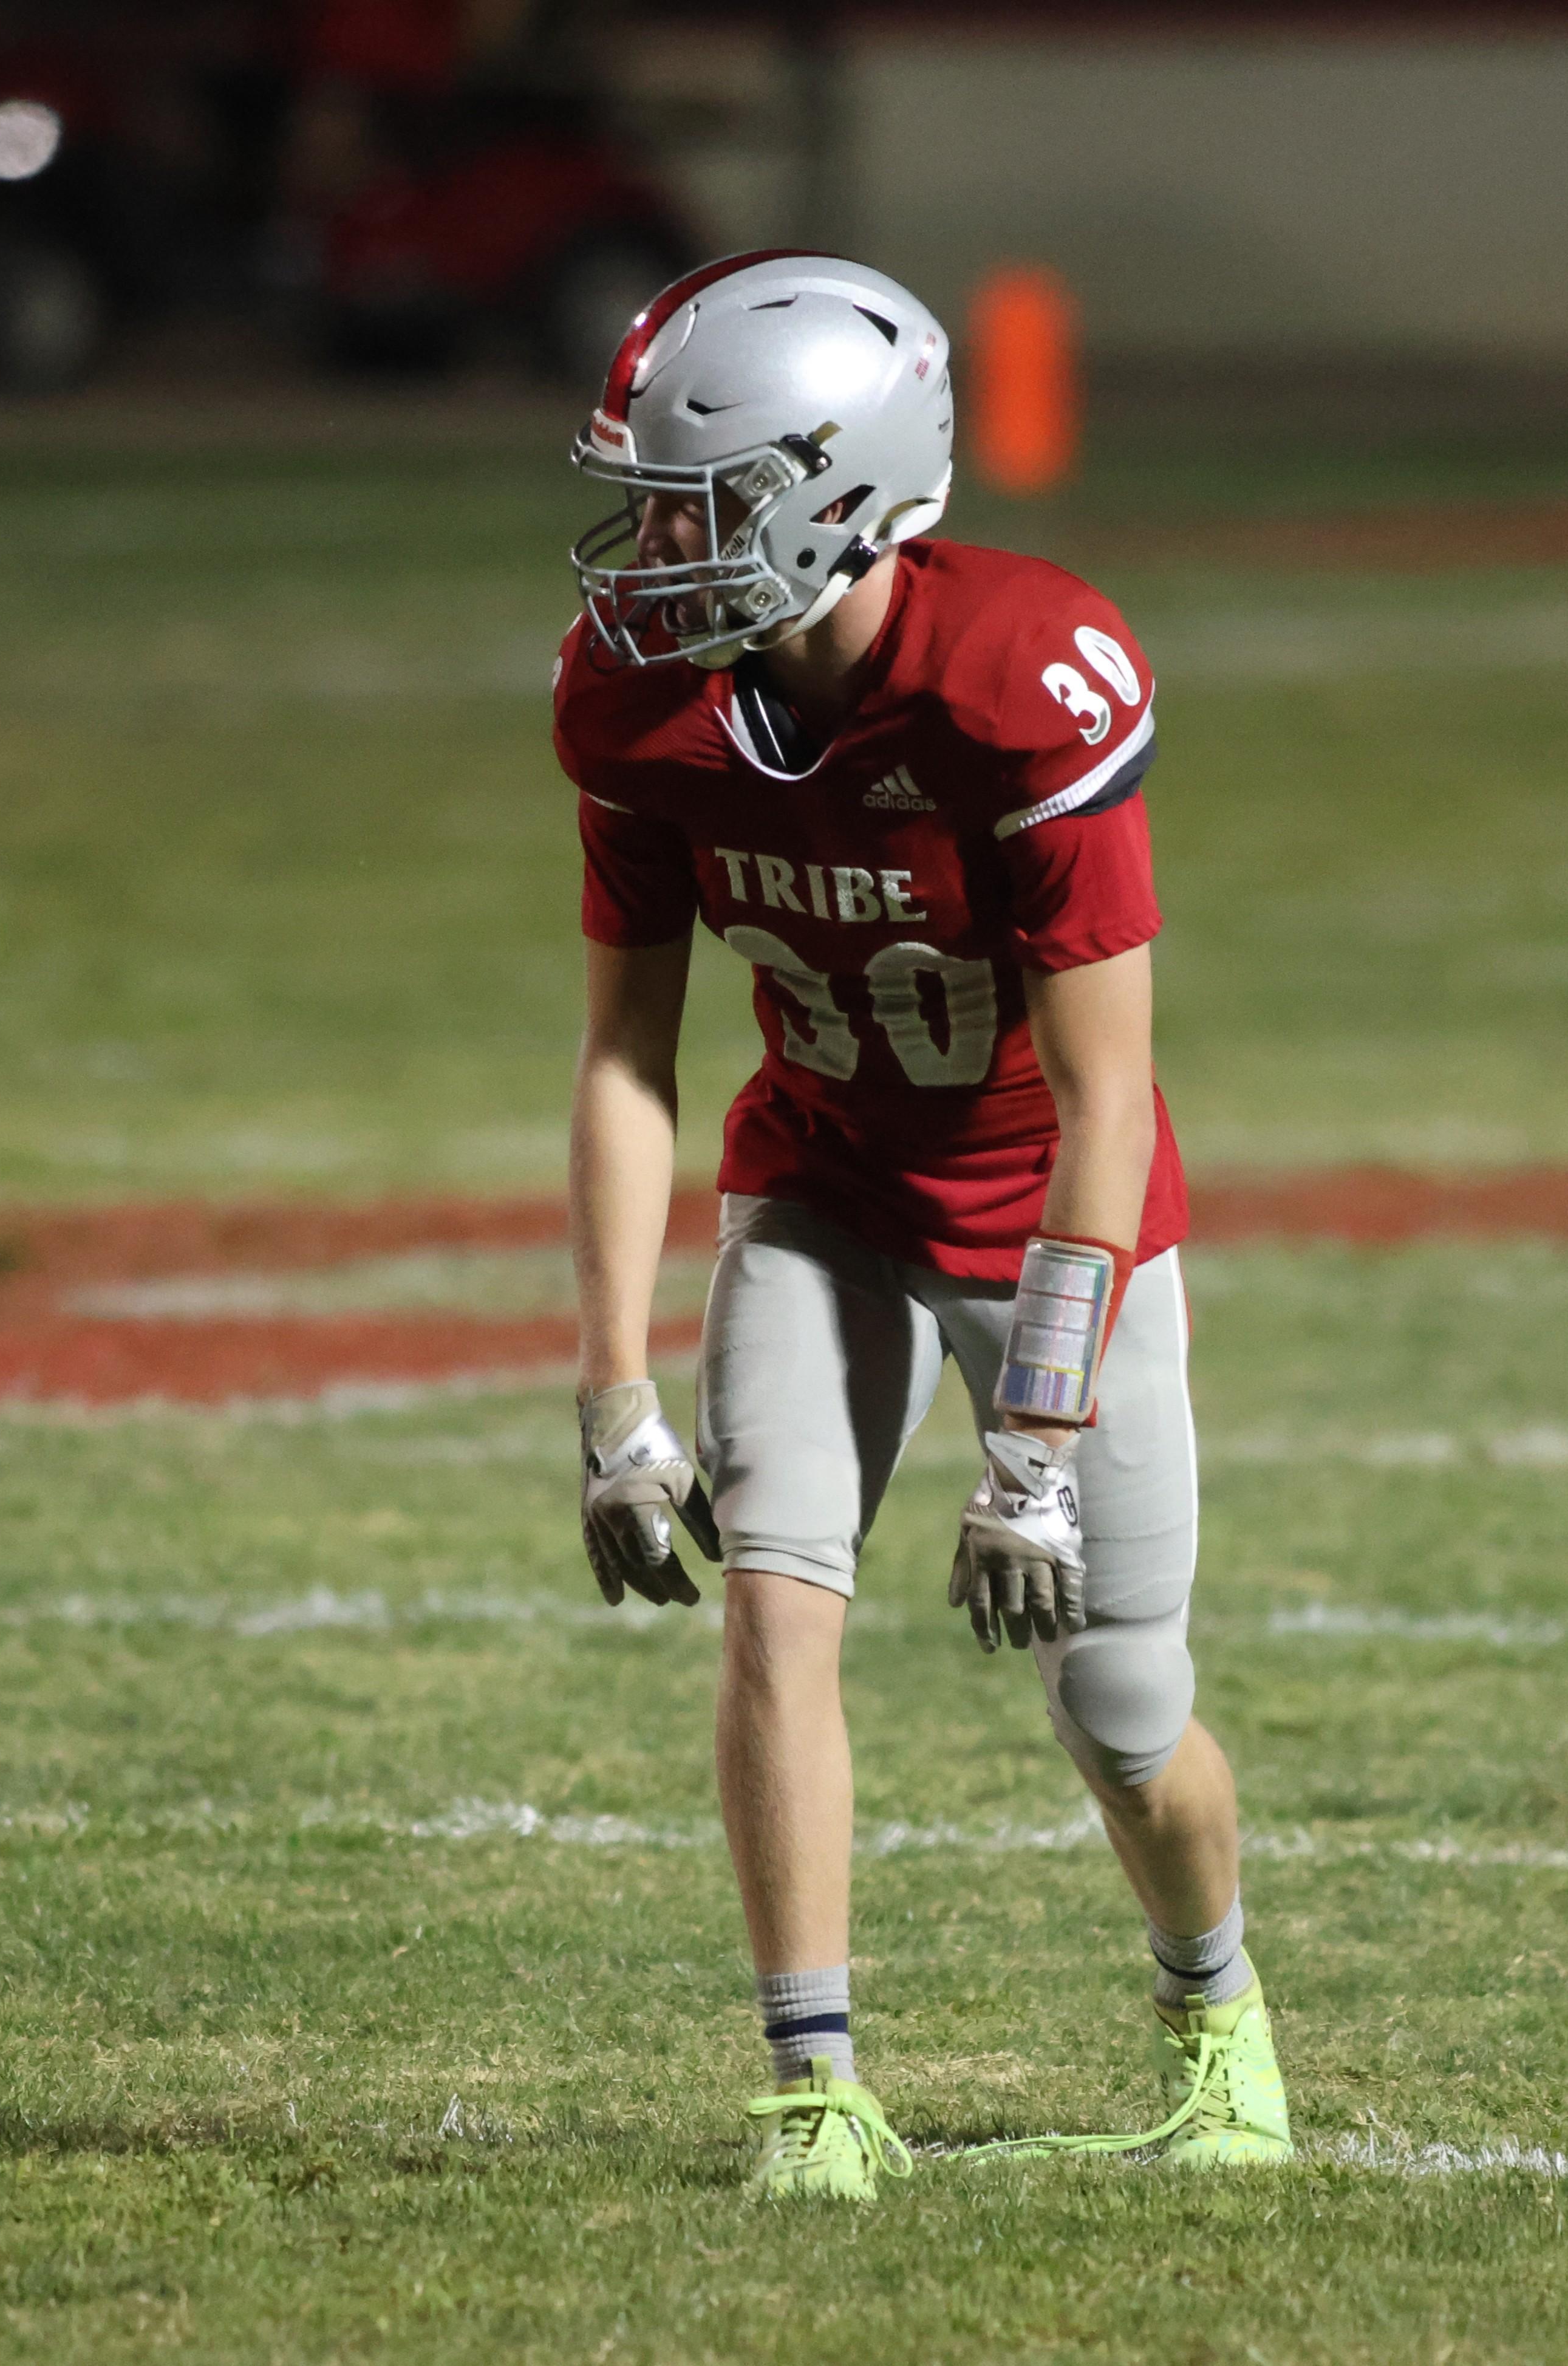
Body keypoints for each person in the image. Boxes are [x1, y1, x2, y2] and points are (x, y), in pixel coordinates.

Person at [556, 250, 1291, 2199]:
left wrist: (1033, 1444)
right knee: (775, 1607)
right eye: (648, 503)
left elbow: (1108, 1100)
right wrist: (613, 1395)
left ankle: (1217, 2012)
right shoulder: (639, 705)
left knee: (1120, 1708)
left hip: (1055, 1214)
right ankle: (815, 2092)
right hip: (821, 1185)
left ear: (837, 487)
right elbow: (627, 1056)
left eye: (696, 504)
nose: (653, 550)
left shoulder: (1019, 681)